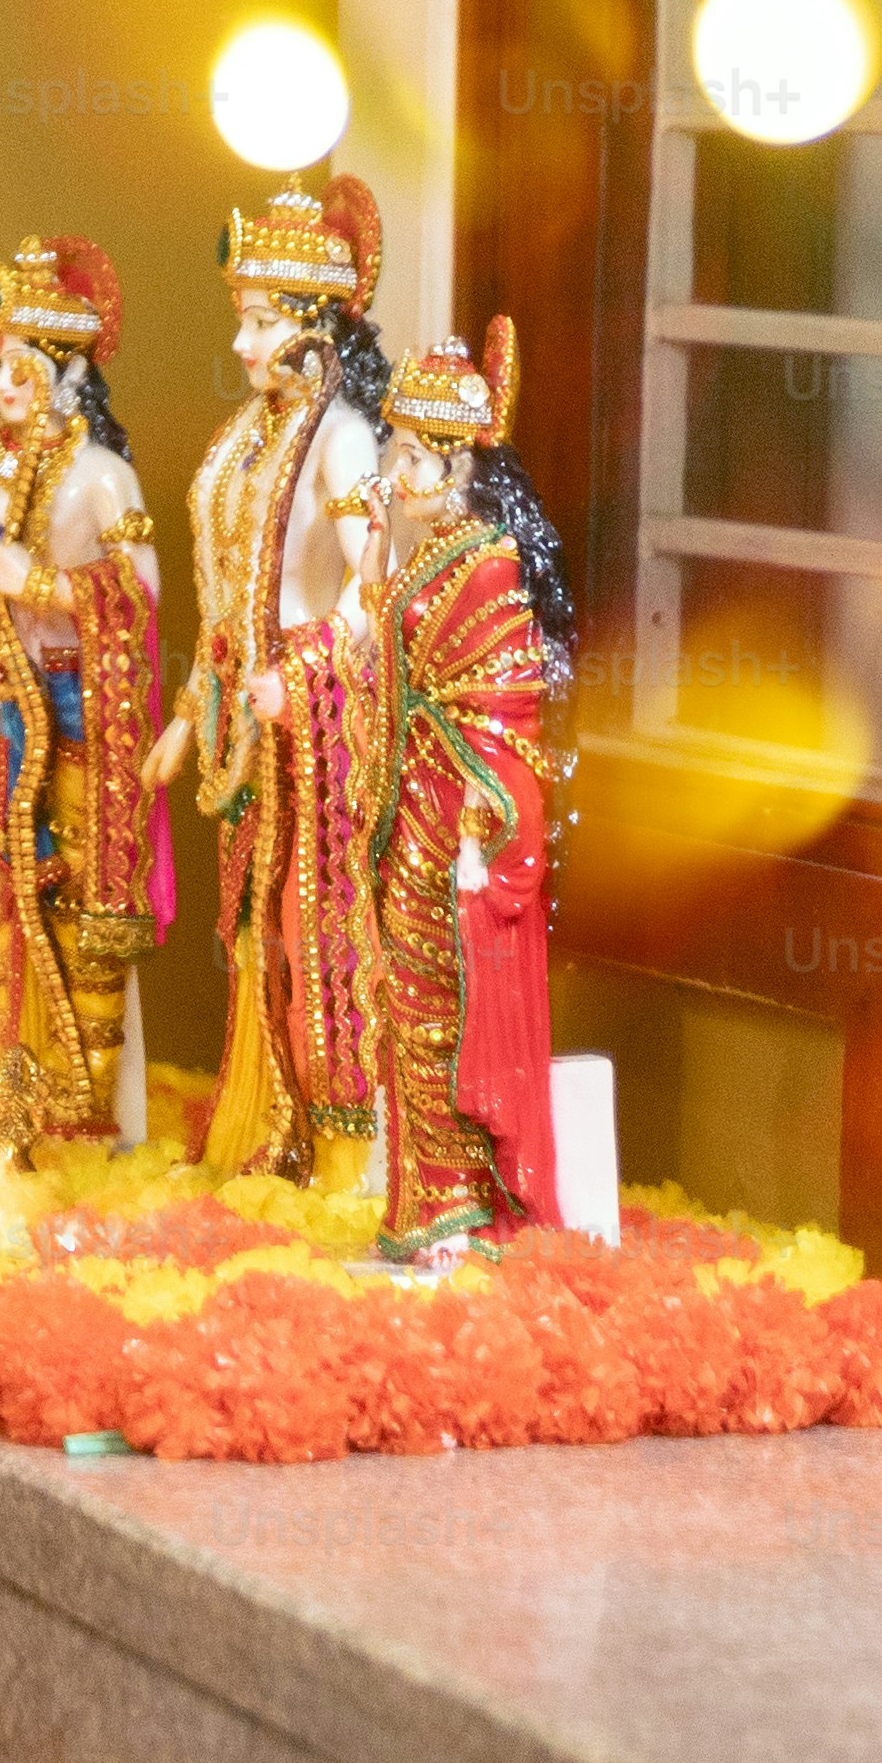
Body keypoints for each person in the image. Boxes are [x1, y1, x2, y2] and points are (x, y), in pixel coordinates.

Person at [154, 180, 388, 1185]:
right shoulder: (251, 432)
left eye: (260, 324)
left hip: (313, 716)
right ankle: (262, 1126)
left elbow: (375, 591)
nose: (244, 347)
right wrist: (188, 716)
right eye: (240, 323)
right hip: (253, 711)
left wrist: (308, 677)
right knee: (251, 922)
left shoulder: (342, 437)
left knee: (313, 917)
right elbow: (223, 596)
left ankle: (339, 1153)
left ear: (313, 325)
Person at [0, 237, 167, 1152]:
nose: (1, 379)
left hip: (69, 705)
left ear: (65, 371)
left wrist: (39, 587)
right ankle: (14, 1076)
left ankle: (83, 1113)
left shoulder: (100, 473)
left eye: (21, 363)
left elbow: (140, 590)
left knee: (81, 909)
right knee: (11, 903)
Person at [365, 317, 576, 1260]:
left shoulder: (487, 561)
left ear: (455, 466)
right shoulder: (421, 551)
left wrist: (483, 831)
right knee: (405, 996)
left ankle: (466, 1201)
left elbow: (502, 711)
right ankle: (425, 1202)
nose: (395, 472)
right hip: (411, 799)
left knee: (447, 1002)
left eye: (410, 457)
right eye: (394, 451)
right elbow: (390, 662)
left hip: (459, 818)